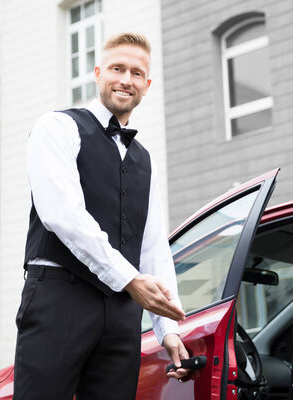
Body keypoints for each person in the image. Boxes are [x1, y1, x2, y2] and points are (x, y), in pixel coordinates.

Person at [13, 32, 188, 400]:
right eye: (117, 68)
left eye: (137, 73)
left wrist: (168, 328)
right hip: (60, 298)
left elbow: (153, 245)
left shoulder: (145, 158)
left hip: (123, 311)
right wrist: (130, 279)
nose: (127, 79)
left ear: (147, 84)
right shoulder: (56, 127)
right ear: (97, 73)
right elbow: (62, 215)